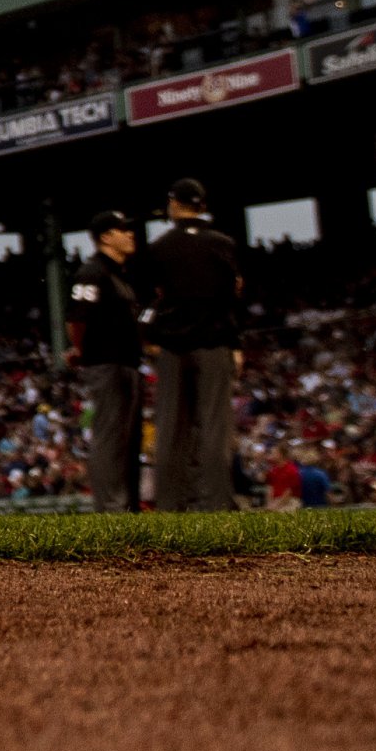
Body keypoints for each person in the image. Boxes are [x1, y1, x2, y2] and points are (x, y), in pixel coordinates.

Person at [133, 177, 243, 511]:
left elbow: (147, 297)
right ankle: (217, 504)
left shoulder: (160, 246)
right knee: (214, 428)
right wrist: (235, 344)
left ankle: (171, 505)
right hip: (215, 342)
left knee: (170, 429)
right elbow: (233, 294)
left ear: (175, 204)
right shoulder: (222, 243)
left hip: (173, 346)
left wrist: (150, 339)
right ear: (202, 206)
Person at [65, 210, 145, 512]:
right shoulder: (92, 271)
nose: (130, 235)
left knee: (128, 438)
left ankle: (128, 506)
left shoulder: (119, 274)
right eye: (123, 230)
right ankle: (110, 506)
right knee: (111, 435)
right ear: (106, 237)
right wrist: (81, 351)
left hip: (127, 362)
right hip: (106, 363)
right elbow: (76, 319)